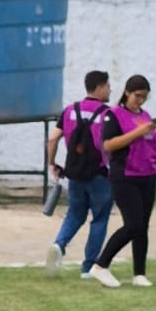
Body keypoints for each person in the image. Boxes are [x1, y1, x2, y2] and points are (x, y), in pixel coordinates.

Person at [88, 75, 156, 289]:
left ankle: (139, 273)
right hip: (125, 176)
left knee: (142, 226)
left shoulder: (145, 117)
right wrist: (138, 132)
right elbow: (108, 145)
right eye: (137, 96)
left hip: (147, 175)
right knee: (133, 224)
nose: (140, 101)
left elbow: (151, 150)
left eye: (144, 97)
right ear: (127, 92)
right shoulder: (113, 116)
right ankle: (100, 265)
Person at [45, 69, 114, 278]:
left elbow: (53, 139)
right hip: (100, 173)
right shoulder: (107, 113)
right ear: (100, 87)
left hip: (74, 172)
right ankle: (88, 267)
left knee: (75, 214)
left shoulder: (69, 111)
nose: (110, 90)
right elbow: (109, 146)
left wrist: (52, 163)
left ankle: (59, 244)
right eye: (108, 86)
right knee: (100, 218)